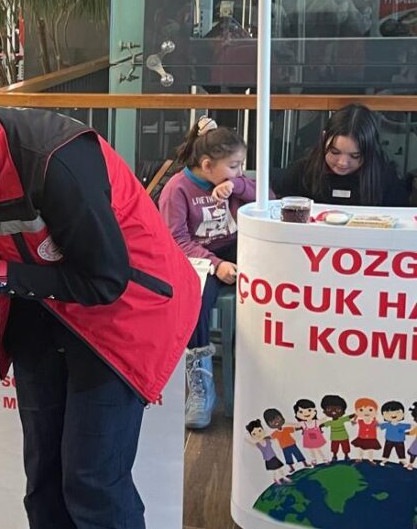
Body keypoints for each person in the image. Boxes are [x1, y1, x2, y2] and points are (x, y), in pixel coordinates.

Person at [0, 61, 199, 529]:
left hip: (127, 310)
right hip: (43, 313)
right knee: (43, 480)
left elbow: (105, 280)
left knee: (93, 482)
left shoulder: (57, 159)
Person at [159, 116, 260, 429]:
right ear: (206, 164)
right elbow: (177, 241)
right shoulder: (177, 190)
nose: (240, 171)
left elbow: (266, 199)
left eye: (242, 165)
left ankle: (264, 377)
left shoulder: (233, 182)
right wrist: (217, 266)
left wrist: (238, 185)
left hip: (237, 248)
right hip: (198, 259)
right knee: (196, 299)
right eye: (234, 166)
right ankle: (201, 385)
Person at [274, 103, 409, 207]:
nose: (343, 162)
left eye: (355, 156)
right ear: (323, 139)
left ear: (370, 150)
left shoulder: (385, 178)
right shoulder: (301, 173)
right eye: (335, 152)